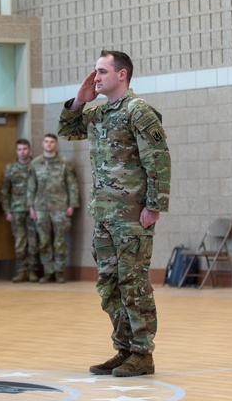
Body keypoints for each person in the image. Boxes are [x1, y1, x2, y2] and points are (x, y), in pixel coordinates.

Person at [59, 50, 171, 377]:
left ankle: (142, 353)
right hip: (104, 214)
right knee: (109, 284)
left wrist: (154, 206)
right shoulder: (99, 113)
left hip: (132, 215)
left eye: (102, 72)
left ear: (122, 75)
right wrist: (80, 100)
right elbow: (68, 131)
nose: (96, 77)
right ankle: (123, 350)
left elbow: (158, 160)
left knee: (133, 281)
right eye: (95, 72)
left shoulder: (139, 111)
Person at [28, 133, 79, 283]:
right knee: (44, 241)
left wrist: (72, 205)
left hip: (60, 207)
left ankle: (59, 272)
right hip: (41, 207)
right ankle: (48, 271)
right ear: (43, 144)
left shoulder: (65, 163)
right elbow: (31, 186)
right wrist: (31, 206)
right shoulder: (35, 163)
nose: (49, 144)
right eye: (46, 141)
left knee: (59, 241)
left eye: (52, 142)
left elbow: (72, 185)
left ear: (56, 144)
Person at [1, 138, 39, 283]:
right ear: (16, 151)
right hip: (16, 209)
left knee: (33, 241)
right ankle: (22, 270)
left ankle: (33, 271)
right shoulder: (10, 168)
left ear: (29, 150)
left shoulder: (36, 165)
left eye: (24, 149)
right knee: (20, 242)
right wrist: (7, 210)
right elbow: (5, 191)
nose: (22, 152)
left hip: (34, 209)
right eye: (19, 149)